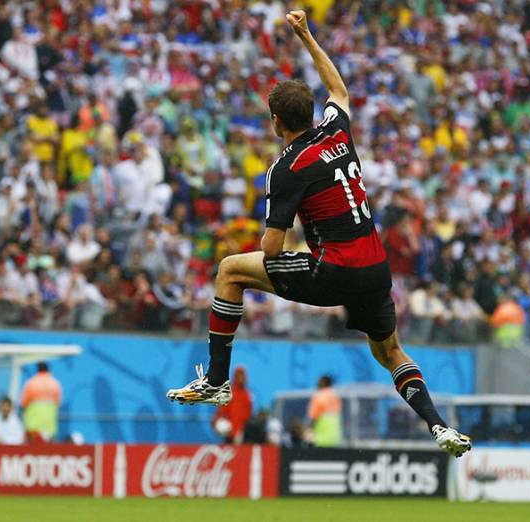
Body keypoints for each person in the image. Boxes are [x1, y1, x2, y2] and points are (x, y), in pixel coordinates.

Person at [167, 11, 471, 459]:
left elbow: (271, 250)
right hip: (375, 267)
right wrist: (306, 35)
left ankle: (216, 380)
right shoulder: (337, 130)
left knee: (231, 271)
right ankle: (439, 426)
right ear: (310, 113)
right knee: (390, 351)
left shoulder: (285, 168)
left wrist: (284, 252)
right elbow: (339, 89)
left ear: (274, 121)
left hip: (336, 269)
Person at [20, 362, 62, 442]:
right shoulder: (55, 384)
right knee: (48, 452)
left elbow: (23, 404)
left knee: (33, 453)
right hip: (50, 427)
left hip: (33, 427)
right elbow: (58, 403)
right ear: (48, 369)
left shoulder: (31, 383)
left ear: (37, 369)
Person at [211, 366, 252, 444]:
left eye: (243, 376)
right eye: (239, 376)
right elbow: (221, 411)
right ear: (235, 377)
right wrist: (217, 421)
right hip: (231, 430)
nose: (241, 378)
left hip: (243, 431)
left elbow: (249, 415)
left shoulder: (247, 395)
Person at [307, 375, 343, 447]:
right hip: (335, 439)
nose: (317, 384)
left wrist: (309, 434)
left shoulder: (318, 396)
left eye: (319, 382)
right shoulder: (336, 397)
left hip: (320, 439)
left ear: (323, 383)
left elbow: (313, 417)